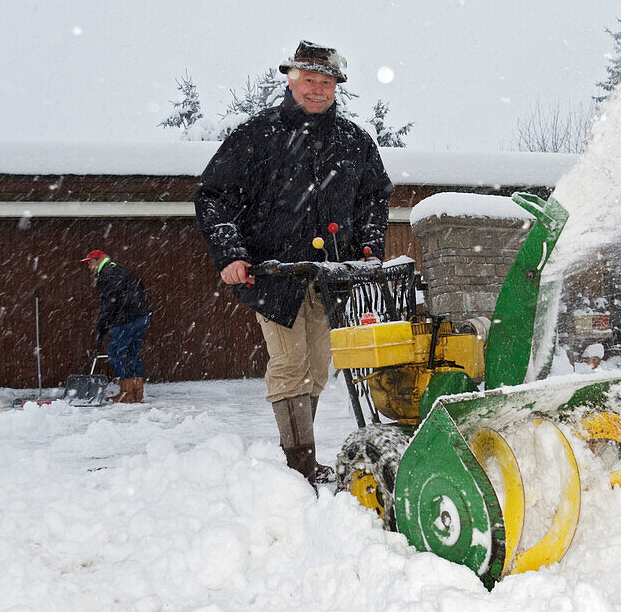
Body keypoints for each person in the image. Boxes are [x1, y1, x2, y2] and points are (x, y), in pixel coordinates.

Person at [193, 40, 392, 487]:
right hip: (274, 273)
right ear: (290, 80)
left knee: (317, 366)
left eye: (326, 82)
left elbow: (374, 197)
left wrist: (368, 247)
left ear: (336, 87)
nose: (317, 90)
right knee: (289, 363)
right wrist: (231, 254)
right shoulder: (256, 135)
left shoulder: (354, 141)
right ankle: (299, 461)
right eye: (309, 81)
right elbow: (212, 196)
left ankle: (302, 450)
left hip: (330, 276)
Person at [80, 249, 152, 403]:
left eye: (90, 262)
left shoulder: (106, 275)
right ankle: (137, 394)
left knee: (114, 354)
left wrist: (103, 325)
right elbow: (141, 285)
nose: (89, 266)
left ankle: (127, 393)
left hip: (127, 318)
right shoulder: (120, 268)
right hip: (143, 315)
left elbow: (108, 304)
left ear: (99, 260)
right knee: (133, 352)